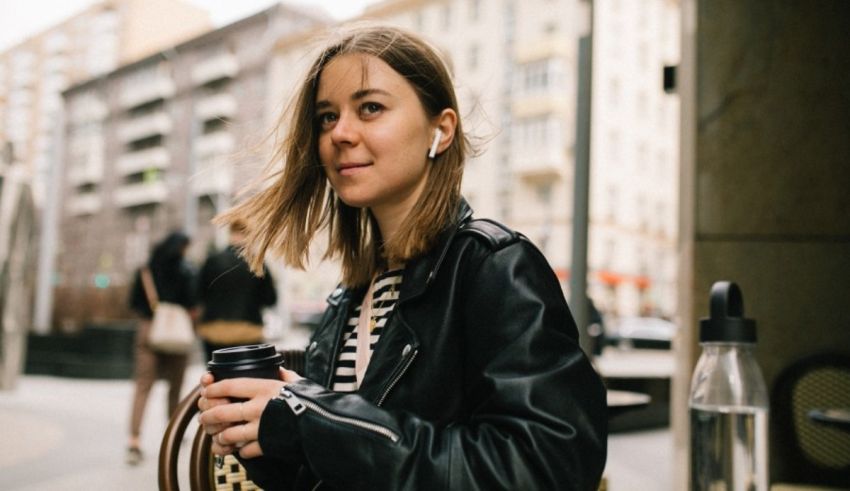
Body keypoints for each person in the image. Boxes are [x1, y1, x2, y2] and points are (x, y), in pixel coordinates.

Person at [197, 24, 607, 490]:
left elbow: (547, 469)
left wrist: (311, 419)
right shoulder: (349, 295)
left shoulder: (493, 266)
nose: (340, 134)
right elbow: (341, 469)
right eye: (327, 117)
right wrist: (262, 432)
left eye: (370, 108)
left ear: (442, 129)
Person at [126, 231, 198, 465]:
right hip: (176, 331)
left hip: (149, 329)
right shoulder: (185, 270)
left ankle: (134, 441)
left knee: (143, 386)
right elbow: (192, 302)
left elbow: (134, 302)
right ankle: (174, 434)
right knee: (175, 387)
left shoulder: (145, 270)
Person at [197, 220, 278, 362]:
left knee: (217, 378)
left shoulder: (212, 260)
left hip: (214, 330)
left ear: (230, 233)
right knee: (245, 378)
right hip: (248, 331)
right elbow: (271, 299)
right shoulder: (257, 263)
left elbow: (197, 294)